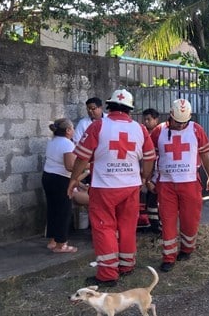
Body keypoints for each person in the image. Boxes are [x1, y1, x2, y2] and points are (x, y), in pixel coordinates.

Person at [67, 89, 156, 287]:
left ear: (109, 106)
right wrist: (144, 177)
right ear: (129, 110)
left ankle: (107, 274)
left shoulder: (98, 126)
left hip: (104, 186)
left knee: (104, 227)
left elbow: (82, 157)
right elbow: (150, 157)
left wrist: (73, 180)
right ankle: (126, 265)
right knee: (127, 225)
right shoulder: (140, 129)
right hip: (131, 186)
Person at [149, 99, 209, 272]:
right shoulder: (159, 131)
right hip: (166, 184)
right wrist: (148, 179)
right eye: (177, 122)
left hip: (190, 183)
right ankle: (168, 257)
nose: (180, 126)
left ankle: (187, 249)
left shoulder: (196, 129)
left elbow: (205, 155)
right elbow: (150, 157)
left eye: (183, 122)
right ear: (171, 116)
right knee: (168, 221)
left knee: (190, 220)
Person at [43, 118, 79, 253]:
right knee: (64, 211)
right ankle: (61, 244)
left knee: (53, 210)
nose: (74, 130)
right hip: (61, 179)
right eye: (73, 128)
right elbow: (70, 166)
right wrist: (87, 165)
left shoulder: (52, 141)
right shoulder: (67, 144)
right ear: (68, 130)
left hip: (48, 176)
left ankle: (52, 241)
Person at [140, 108, 162, 234]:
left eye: (149, 119)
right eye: (145, 119)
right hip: (148, 173)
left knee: (155, 202)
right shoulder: (144, 134)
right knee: (149, 202)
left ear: (156, 120)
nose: (146, 122)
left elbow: (156, 159)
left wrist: (150, 179)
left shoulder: (160, 134)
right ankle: (153, 226)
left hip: (157, 175)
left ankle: (158, 228)